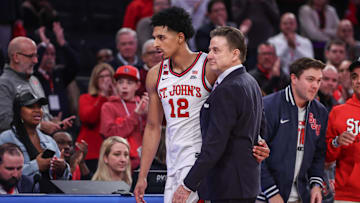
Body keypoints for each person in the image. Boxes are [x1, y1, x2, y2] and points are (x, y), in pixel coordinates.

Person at [134, 7, 269, 203]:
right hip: (173, 161)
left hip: (202, 162)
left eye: (161, 37)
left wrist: (258, 139)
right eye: (155, 37)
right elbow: (153, 127)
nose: (155, 44)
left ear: (180, 37)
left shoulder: (209, 65)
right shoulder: (155, 74)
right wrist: (142, 175)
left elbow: (248, 100)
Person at [173, 26, 265, 203]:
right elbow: (263, 128)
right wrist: (261, 144)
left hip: (228, 187)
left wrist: (188, 185)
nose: (209, 56)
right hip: (245, 184)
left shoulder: (228, 89)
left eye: (216, 50)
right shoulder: (250, 82)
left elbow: (215, 144)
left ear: (234, 54)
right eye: (209, 50)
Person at [257, 58, 327, 203]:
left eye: (319, 81)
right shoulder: (269, 106)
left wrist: (316, 185)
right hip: (265, 196)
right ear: (294, 78)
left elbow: (319, 154)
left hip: (301, 196)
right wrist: (271, 192)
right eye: (310, 79)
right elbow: (256, 154)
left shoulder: (320, 112)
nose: (315, 86)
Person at [0, 36, 75, 135]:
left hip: (41, 144)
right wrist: (40, 126)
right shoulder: (3, 84)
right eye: (31, 56)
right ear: (16, 57)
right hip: (16, 147)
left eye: (36, 56)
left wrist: (54, 123)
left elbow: (44, 115)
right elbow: (4, 122)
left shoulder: (34, 80)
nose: (35, 61)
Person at [0, 90, 70, 192]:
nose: (37, 110)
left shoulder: (49, 140)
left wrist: (62, 169)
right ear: (19, 111)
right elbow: (4, 173)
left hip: (50, 197)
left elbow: (64, 179)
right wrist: (36, 166)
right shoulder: (6, 138)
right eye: (31, 107)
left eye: (39, 107)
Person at [100, 65, 148, 170]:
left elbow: (150, 136)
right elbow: (111, 135)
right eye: (120, 82)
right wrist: (136, 114)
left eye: (129, 83)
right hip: (117, 164)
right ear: (115, 85)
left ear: (138, 85)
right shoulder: (108, 106)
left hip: (141, 162)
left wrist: (148, 116)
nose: (124, 86)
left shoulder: (143, 105)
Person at [325, 58, 360, 202]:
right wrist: (336, 141)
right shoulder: (338, 112)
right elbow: (326, 158)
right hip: (346, 195)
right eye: (355, 76)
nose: (358, 81)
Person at [76, 63, 115, 173]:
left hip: (113, 151)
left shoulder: (117, 99)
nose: (105, 80)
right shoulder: (86, 98)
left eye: (108, 76)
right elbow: (88, 118)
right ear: (95, 80)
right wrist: (102, 96)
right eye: (101, 77)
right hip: (91, 152)